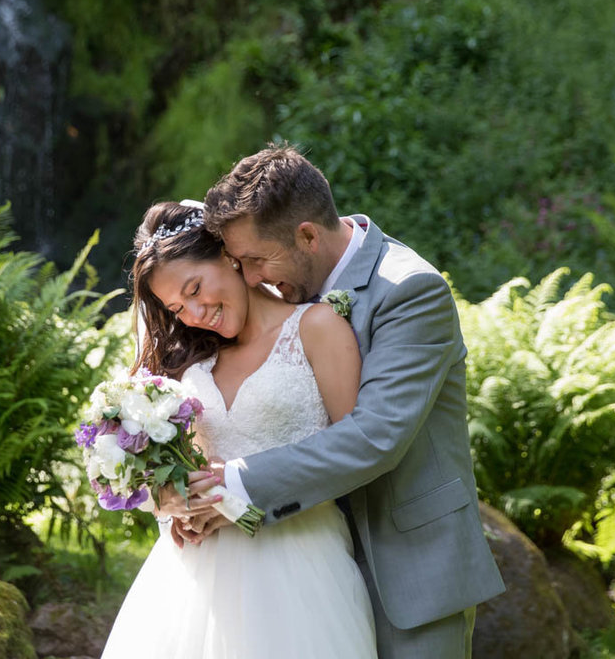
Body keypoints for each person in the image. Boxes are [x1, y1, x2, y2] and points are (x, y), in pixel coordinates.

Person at [163, 144, 505, 659]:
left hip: (409, 569)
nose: (250, 278)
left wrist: (230, 483)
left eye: (256, 260)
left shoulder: (410, 290)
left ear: (307, 235)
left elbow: (376, 437)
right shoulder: (280, 300)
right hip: (303, 569)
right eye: (239, 263)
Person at [100, 200, 378, 659]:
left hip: (300, 563)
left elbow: (354, 454)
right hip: (193, 577)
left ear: (229, 256)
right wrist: (173, 502)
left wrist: (235, 488)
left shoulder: (317, 327)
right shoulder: (193, 359)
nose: (193, 312)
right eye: (176, 306)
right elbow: (174, 460)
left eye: (195, 288)